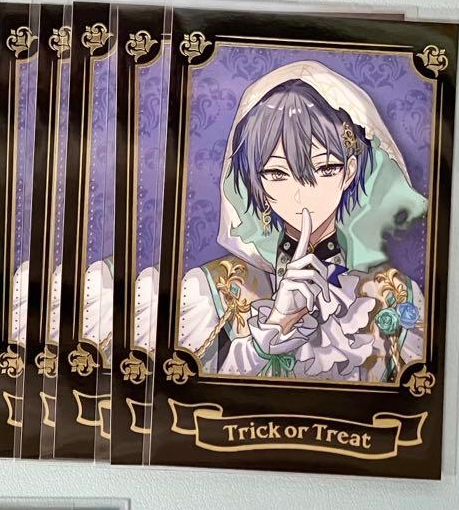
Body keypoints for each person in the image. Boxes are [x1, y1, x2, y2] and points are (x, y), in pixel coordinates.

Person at [177, 62, 427, 382]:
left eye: (324, 169)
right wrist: (277, 325)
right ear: (256, 182)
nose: (301, 194)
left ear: (349, 172)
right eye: (277, 173)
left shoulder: (396, 294)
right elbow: (185, 397)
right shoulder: (214, 289)